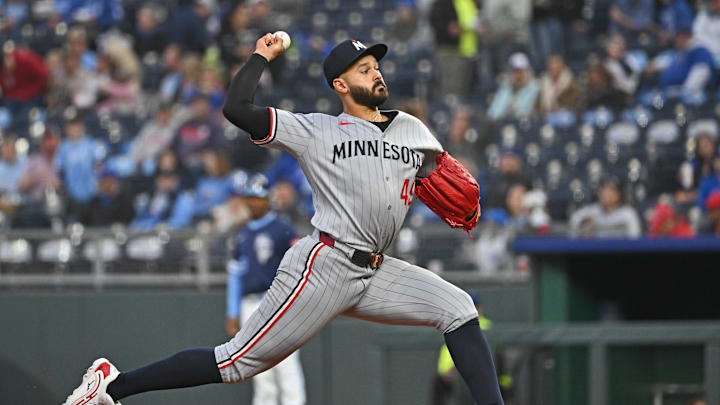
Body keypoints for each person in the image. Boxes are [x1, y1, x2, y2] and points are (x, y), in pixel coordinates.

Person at [62, 35, 503, 405]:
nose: (376, 73)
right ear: (341, 84)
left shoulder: (412, 129)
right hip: (326, 266)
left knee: (459, 308)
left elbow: (447, 180)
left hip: (377, 268)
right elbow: (238, 108)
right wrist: (260, 56)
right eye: (364, 68)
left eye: (376, 65)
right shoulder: (315, 130)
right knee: (236, 362)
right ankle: (111, 385)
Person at [225, 173, 306, 405]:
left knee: (287, 368)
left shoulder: (282, 228)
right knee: (259, 371)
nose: (253, 202)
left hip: (279, 303)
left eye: (258, 197)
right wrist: (232, 312)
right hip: (250, 304)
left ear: (267, 199)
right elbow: (235, 276)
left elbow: (300, 268)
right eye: (249, 197)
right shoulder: (241, 234)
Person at [430, 292, 492, 405]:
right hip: (447, 380)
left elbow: (475, 355)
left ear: (478, 308)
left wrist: (455, 370)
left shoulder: (482, 327)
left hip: (465, 377)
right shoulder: (454, 323)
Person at [569, 177, 641, 238]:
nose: (607, 194)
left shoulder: (627, 214)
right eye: (604, 190)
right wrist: (584, 225)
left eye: (611, 191)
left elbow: (635, 240)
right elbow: (574, 222)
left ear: (618, 195)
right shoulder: (590, 212)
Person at [130, 168, 194, 231]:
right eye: (163, 180)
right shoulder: (151, 197)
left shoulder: (184, 198)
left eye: (170, 180)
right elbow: (139, 220)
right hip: (149, 233)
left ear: (176, 182)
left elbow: (182, 221)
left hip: (173, 233)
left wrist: (166, 225)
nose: (166, 183)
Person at [487, 53, 540, 121]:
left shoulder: (534, 87)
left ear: (527, 71)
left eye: (520, 71)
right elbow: (493, 113)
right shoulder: (506, 87)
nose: (517, 75)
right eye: (515, 71)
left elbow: (523, 112)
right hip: (503, 125)